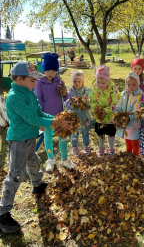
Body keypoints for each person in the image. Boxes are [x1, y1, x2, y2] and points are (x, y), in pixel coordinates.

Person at [0, 61, 71, 234]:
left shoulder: (29, 92)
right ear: (19, 79)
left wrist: (57, 118)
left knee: (33, 161)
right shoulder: (15, 96)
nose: (35, 83)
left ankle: (37, 184)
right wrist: (55, 122)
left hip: (30, 137)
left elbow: (39, 114)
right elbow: (32, 119)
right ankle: (2, 212)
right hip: (19, 141)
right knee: (15, 174)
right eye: (32, 80)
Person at [34, 53, 74, 171]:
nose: (50, 73)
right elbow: (38, 101)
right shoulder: (39, 83)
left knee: (62, 137)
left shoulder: (59, 81)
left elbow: (66, 97)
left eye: (53, 70)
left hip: (60, 116)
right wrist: (41, 120)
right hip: (47, 118)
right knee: (48, 138)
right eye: (48, 70)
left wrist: (64, 93)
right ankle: (50, 158)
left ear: (57, 70)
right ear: (43, 69)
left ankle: (65, 159)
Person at [90, 65, 119, 156]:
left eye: (103, 83)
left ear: (108, 81)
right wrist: (97, 109)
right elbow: (92, 100)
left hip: (110, 116)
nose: (100, 85)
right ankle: (101, 148)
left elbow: (115, 102)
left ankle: (111, 148)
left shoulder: (112, 89)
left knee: (111, 133)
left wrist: (106, 110)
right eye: (98, 82)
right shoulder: (95, 89)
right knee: (100, 133)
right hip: (99, 117)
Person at [64, 70, 92, 156]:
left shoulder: (87, 91)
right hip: (74, 116)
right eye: (74, 81)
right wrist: (71, 104)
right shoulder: (70, 92)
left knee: (85, 132)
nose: (77, 83)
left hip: (84, 116)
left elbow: (91, 102)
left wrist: (86, 104)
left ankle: (86, 146)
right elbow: (66, 102)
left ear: (83, 81)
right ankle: (75, 147)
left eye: (79, 81)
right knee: (74, 132)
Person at [115, 72, 143, 157]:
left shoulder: (138, 96)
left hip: (133, 123)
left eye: (134, 85)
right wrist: (117, 114)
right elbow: (119, 105)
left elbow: (137, 110)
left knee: (134, 141)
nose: (131, 87)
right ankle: (128, 155)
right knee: (127, 139)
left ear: (138, 84)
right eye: (129, 84)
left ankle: (136, 156)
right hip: (124, 122)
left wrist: (129, 118)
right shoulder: (123, 94)